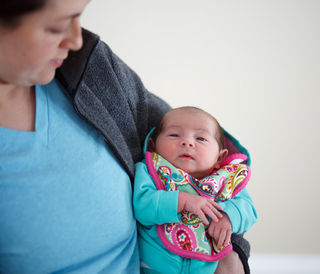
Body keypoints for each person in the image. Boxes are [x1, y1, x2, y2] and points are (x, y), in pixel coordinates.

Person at [0, 0, 253, 273]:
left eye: (79, 17)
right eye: (57, 26)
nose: (76, 40)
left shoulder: (91, 68)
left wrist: (230, 252)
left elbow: (199, 153)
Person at [134, 107, 257, 273]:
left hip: (209, 267)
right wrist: (183, 201)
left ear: (219, 157)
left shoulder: (225, 179)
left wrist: (227, 218)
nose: (187, 142)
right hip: (156, 266)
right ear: (153, 146)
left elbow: (248, 209)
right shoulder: (150, 172)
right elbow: (142, 206)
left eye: (200, 138)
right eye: (174, 135)